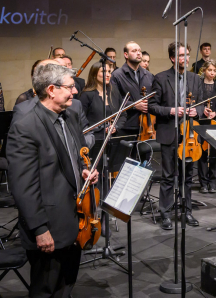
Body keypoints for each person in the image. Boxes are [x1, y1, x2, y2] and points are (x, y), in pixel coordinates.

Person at [7, 63, 99, 297]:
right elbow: (23, 185)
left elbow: (77, 156)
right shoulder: (25, 125)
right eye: (70, 87)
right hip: (48, 226)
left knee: (66, 287)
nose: (75, 91)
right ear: (51, 89)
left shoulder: (70, 115)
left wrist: (85, 171)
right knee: (45, 290)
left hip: (74, 221)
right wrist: (39, 229)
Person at [149, 42, 204, 230]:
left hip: (189, 134)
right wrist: (171, 110)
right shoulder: (161, 78)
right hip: (170, 134)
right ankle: (165, 213)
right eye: (182, 55)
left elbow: (203, 103)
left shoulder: (195, 78)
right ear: (173, 58)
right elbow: (152, 106)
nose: (186, 59)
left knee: (188, 176)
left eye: (187, 55)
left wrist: (199, 111)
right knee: (168, 176)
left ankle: (187, 211)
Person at [12, 59, 95, 149]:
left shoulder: (72, 111)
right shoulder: (24, 115)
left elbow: (86, 135)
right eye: (70, 87)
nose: (75, 91)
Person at [79, 62, 127, 161]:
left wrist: (115, 126)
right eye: (104, 71)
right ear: (94, 75)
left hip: (113, 139)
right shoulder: (86, 95)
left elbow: (122, 114)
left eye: (109, 71)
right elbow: (81, 121)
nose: (108, 74)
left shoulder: (114, 92)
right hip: (94, 142)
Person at [111, 41, 154, 139]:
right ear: (126, 55)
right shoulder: (117, 75)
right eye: (134, 51)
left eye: (139, 51)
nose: (138, 53)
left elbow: (154, 97)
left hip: (147, 125)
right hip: (126, 125)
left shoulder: (149, 75)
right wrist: (134, 105)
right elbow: (114, 100)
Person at [197, 59, 216, 194]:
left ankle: (213, 182)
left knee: (215, 151)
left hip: (215, 122)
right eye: (209, 70)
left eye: (214, 70)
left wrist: (215, 112)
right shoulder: (198, 85)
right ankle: (203, 182)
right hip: (202, 122)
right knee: (201, 152)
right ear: (204, 70)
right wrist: (203, 110)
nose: (212, 73)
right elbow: (196, 103)